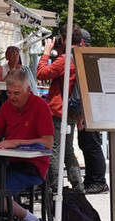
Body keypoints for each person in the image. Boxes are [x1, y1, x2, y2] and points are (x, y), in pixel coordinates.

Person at [0, 69, 55, 221]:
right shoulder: (7, 106)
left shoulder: (40, 106)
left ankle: (31, 219)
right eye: (9, 93)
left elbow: (48, 142)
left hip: (32, 166)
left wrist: (16, 142)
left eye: (16, 93)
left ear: (28, 90)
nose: (12, 97)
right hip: (7, 161)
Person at [36, 24, 85, 194]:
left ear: (64, 38)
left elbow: (41, 74)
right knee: (68, 149)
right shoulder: (81, 56)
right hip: (73, 110)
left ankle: (55, 188)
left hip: (58, 110)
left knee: (55, 148)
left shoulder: (65, 59)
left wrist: (46, 52)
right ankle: (78, 186)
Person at [75, 29, 109, 194]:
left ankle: (99, 181)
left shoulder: (88, 59)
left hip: (91, 108)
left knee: (92, 144)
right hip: (90, 107)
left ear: (81, 42)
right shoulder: (88, 58)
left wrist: (83, 111)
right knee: (86, 144)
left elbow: (88, 88)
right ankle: (91, 179)